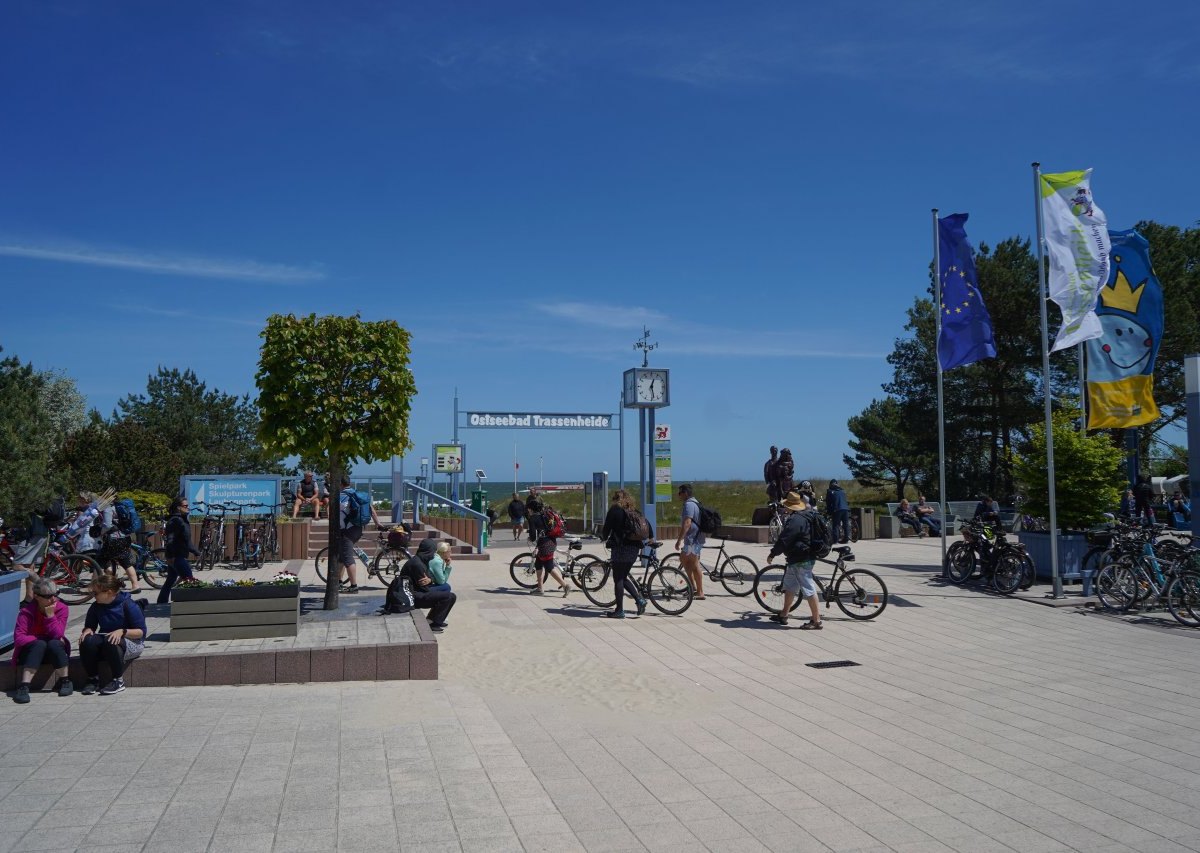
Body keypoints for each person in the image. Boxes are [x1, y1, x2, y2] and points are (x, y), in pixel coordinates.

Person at [79, 574, 147, 695]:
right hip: (107, 639)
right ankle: (93, 679)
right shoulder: (96, 606)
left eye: (96, 593)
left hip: (132, 641)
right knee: (87, 640)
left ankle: (118, 681)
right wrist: (87, 630)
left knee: (111, 640)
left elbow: (141, 632)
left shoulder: (128, 604)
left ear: (109, 592)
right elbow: (90, 626)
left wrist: (123, 631)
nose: (93, 596)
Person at [10, 578, 72, 704]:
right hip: (31, 653)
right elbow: (19, 638)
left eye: (56, 594)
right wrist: (41, 638)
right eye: (48, 596)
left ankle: (65, 681)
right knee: (40, 644)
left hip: (52, 652)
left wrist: (50, 617)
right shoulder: (26, 612)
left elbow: (58, 634)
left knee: (55, 643)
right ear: (36, 596)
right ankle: (24, 686)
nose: (53, 599)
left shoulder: (62, 608)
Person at [766, 491, 822, 629]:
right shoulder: (804, 516)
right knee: (790, 585)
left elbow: (785, 539)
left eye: (786, 506)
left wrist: (773, 554)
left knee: (808, 588)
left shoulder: (796, 520)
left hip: (801, 558)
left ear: (791, 506)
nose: (784, 508)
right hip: (796, 558)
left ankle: (816, 621)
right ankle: (784, 614)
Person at [600, 489, 648, 619]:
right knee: (624, 576)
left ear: (615, 499)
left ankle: (620, 610)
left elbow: (606, 530)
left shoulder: (615, 510)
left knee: (618, 579)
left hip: (621, 548)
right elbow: (647, 525)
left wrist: (603, 537)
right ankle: (639, 600)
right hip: (634, 548)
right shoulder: (633, 510)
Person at [399, 538, 456, 632]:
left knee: (451, 596)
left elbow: (429, 578)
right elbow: (424, 587)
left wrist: (430, 580)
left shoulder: (421, 560)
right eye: (433, 552)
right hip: (413, 597)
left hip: (417, 592)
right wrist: (435, 588)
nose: (434, 554)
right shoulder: (417, 564)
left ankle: (434, 619)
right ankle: (434, 624)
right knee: (447, 597)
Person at [337, 475, 382, 594]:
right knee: (342, 556)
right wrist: (378, 523)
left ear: (340, 484)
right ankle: (339, 582)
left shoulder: (341, 496)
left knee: (347, 558)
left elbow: (334, 510)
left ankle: (354, 586)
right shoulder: (356, 494)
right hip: (358, 528)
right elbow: (371, 509)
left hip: (347, 530)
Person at [157, 496, 199, 604]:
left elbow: (187, 540)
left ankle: (161, 602)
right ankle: (187, 603)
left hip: (178, 555)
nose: (188, 508)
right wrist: (171, 557)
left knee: (171, 580)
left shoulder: (183, 520)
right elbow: (170, 539)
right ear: (178, 508)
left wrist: (195, 551)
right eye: (185, 506)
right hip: (176, 556)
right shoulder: (175, 521)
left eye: (187, 506)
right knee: (189, 579)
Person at [528, 498, 571, 596]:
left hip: (544, 545)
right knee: (538, 564)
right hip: (551, 541)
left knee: (549, 567)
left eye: (529, 509)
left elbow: (533, 537)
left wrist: (529, 538)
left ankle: (565, 586)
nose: (528, 510)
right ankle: (540, 588)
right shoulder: (545, 515)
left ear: (531, 509)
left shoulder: (533, 518)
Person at [674, 484, 706, 600]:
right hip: (696, 538)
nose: (679, 495)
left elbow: (687, 523)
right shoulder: (696, 503)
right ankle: (693, 588)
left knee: (693, 562)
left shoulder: (689, 504)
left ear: (685, 493)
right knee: (687, 561)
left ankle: (699, 591)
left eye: (680, 492)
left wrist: (678, 540)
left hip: (693, 539)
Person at [825, 479, 851, 544]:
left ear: (830, 485)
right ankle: (846, 539)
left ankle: (836, 540)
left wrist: (829, 511)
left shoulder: (830, 491)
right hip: (845, 509)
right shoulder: (842, 491)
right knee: (845, 525)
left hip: (837, 509)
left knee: (835, 525)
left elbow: (828, 503)